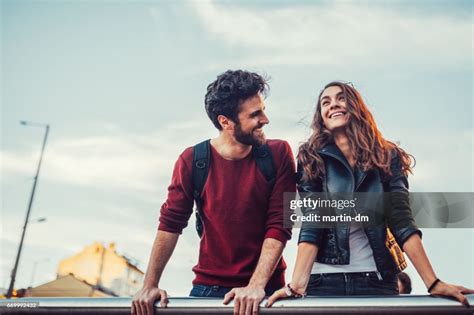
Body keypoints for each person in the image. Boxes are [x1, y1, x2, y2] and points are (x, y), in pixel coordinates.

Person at [267, 81, 474, 307]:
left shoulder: (387, 155)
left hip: (377, 278)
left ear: (355, 106)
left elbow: (402, 220)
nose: (333, 105)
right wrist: (296, 285)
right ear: (322, 117)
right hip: (324, 280)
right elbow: (313, 221)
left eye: (341, 98)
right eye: (325, 102)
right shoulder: (311, 158)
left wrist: (432, 282)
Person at [132, 70, 296, 315]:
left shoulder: (278, 153)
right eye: (255, 114)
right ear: (225, 122)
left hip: (264, 291)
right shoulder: (193, 160)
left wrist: (255, 286)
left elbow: (280, 224)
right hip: (209, 289)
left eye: (263, 109)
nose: (265, 119)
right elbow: (171, 223)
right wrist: (149, 285)